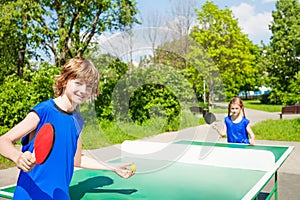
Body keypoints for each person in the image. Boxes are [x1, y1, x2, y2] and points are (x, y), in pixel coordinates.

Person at [0, 57, 135, 199]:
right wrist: (18, 157)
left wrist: (112, 167)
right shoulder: (44, 111)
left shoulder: (78, 121)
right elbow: (3, 140)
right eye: (78, 83)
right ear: (64, 81)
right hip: (31, 195)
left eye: (89, 86)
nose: (83, 90)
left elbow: (77, 160)